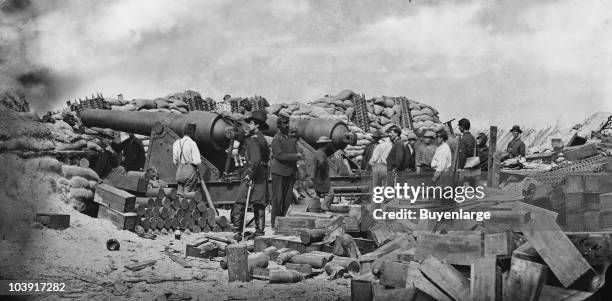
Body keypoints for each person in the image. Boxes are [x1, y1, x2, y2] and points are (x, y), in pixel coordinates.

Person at [231, 111, 270, 240]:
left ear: (256, 124)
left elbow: (256, 160)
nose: (250, 125)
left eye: (251, 123)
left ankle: (237, 232)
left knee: (240, 201)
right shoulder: (262, 138)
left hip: (253, 174)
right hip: (262, 174)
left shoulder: (254, 139)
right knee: (259, 203)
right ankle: (259, 232)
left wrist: (249, 175)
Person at [270, 113, 303, 228]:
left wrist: (296, 170)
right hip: (279, 173)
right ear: (279, 125)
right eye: (284, 123)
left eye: (288, 123)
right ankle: (275, 224)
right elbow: (279, 156)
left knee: (287, 200)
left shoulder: (289, 138)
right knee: (278, 200)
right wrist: (295, 156)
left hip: (289, 173)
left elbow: (294, 154)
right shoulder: (276, 139)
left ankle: (282, 222)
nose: (287, 126)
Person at [172, 123, 202, 198]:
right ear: (192, 132)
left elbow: (175, 161)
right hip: (189, 171)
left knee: (180, 195)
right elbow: (197, 161)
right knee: (188, 195)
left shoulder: (176, 143)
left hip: (179, 171)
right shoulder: (192, 143)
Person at [313, 136, 333, 211]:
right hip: (321, 179)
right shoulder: (321, 154)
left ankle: (319, 208)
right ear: (326, 144)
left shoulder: (318, 153)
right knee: (331, 193)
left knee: (318, 195)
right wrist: (323, 174)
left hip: (318, 178)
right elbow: (321, 163)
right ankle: (323, 206)